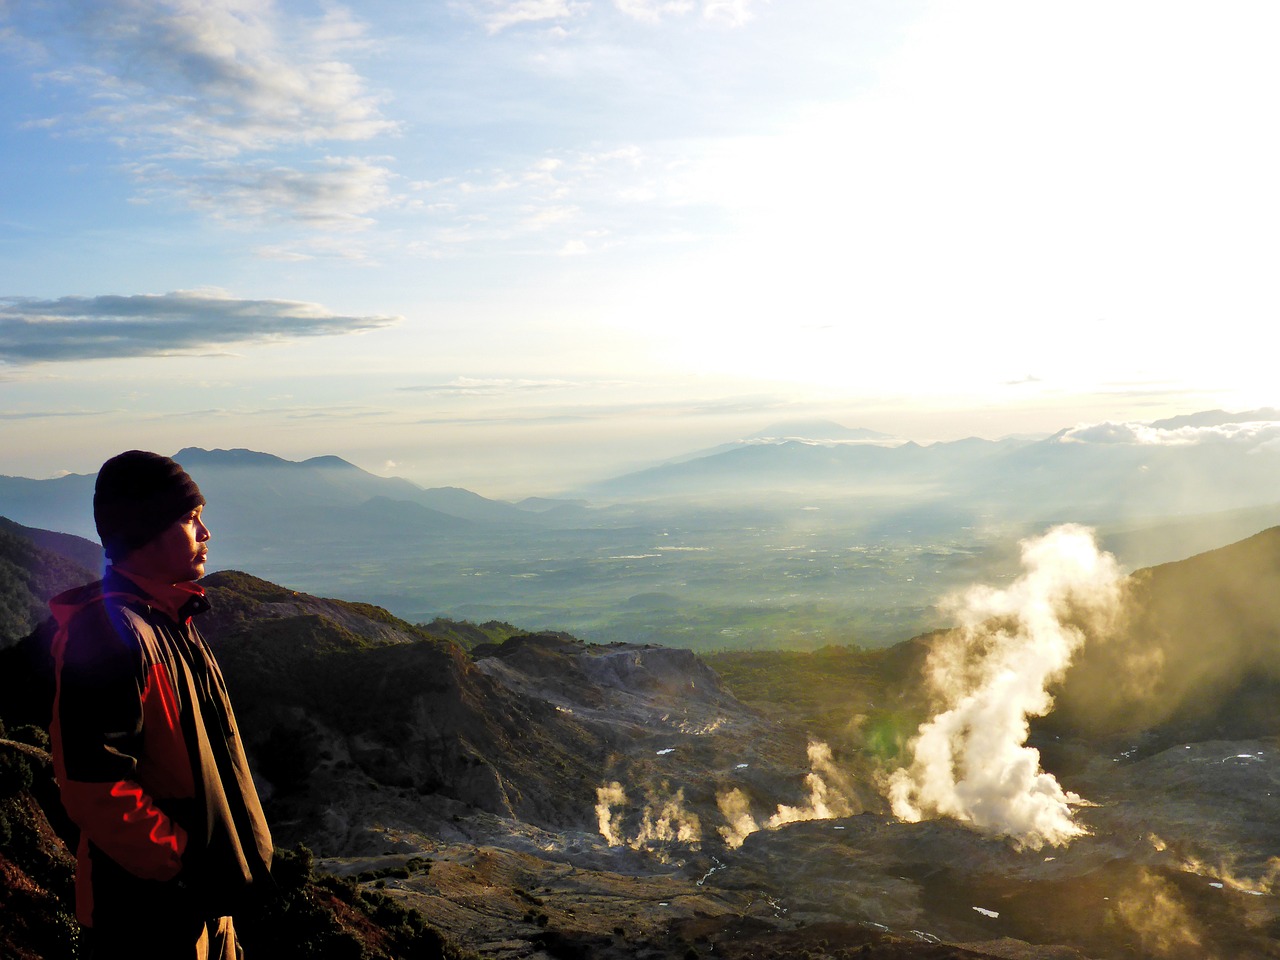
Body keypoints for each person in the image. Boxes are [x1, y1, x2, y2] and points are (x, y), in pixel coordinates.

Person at [48, 450, 273, 960]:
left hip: (202, 908)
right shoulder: (108, 632)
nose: (206, 533)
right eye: (191, 519)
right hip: (150, 920)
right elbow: (94, 785)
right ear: (147, 529)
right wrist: (182, 865)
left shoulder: (168, 621)